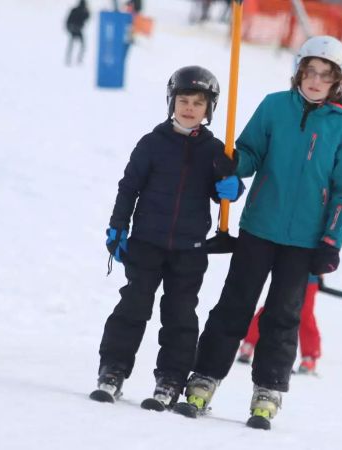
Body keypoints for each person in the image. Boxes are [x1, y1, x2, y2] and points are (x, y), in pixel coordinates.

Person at [179, 36, 342, 429]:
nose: (315, 81)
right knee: (234, 304)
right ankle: (205, 377)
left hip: (304, 240)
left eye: (325, 76)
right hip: (259, 226)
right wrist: (233, 165)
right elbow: (250, 152)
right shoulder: (274, 106)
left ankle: (268, 390)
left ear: (337, 82)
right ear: (298, 71)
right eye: (309, 72)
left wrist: (331, 240)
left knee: (283, 316)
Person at [91, 67, 245, 409]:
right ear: (171, 102)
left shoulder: (216, 151)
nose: (189, 108)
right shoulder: (152, 143)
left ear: (209, 109)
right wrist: (119, 226)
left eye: (198, 103)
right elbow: (128, 187)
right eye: (183, 101)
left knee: (180, 315)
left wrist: (232, 188)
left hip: (189, 249)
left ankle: (171, 379)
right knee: (133, 306)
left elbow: (225, 189)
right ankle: (113, 369)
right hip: (146, 242)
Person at [237, 275, 321, 375]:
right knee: (272, 307)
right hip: (286, 271)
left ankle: (310, 356)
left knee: (305, 314)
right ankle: (249, 343)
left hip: (310, 276)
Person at [65, 0, 90, 66]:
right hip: (74, 29)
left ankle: (76, 59)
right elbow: (68, 21)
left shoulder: (77, 10)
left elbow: (87, 18)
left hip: (76, 29)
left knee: (77, 45)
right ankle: (73, 59)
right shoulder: (78, 11)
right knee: (77, 45)